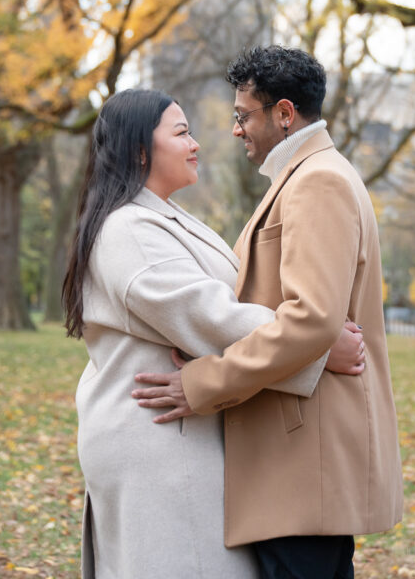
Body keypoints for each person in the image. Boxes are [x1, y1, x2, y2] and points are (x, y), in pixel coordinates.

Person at [62, 88, 364, 579]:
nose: (197, 143)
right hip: (160, 442)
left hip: (182, 434)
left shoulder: (161, 217)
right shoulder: (129, 230)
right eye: (181, 133)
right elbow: (209, 315)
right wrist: (318, 344)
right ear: (140, 150)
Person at [134, 46, 404, 579]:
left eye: (243, 116)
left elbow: (311, 320)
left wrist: (204, 382)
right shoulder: (303, 177)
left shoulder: (316, 181)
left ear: (284, 114)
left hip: (304, 459)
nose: (236, 129)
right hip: (297, 461)